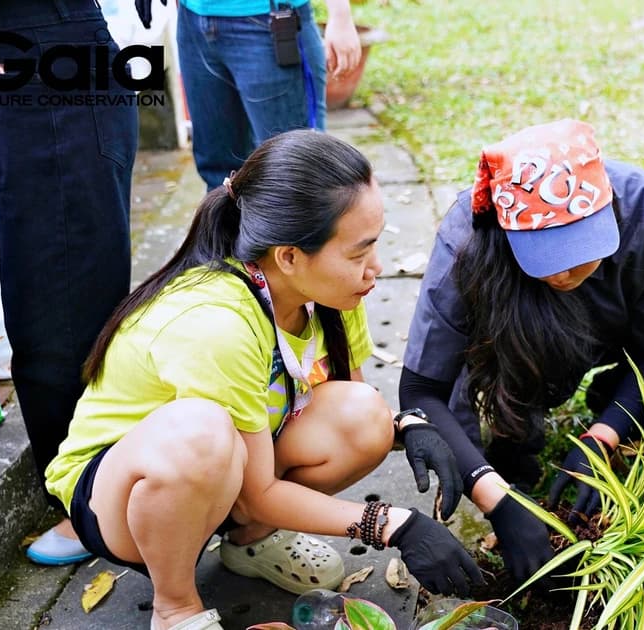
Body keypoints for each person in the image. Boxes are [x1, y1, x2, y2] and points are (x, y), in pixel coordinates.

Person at [44, 130, 480, 630]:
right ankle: (176, 605)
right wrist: (391, 524)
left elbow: (348, 400)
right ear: (289, 256)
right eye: (358, 254)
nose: (374, 269)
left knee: (365, 417)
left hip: (231, 469)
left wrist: (410, 427)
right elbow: (255, 492)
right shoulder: (217, 321)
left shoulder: (328, 294)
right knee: (201, 432)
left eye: (374, 247)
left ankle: (250, 543)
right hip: (123, 498)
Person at [399, 119, 644, 583]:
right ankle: (518, 425)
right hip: (521, 340)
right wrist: (493, 495)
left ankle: (612, 397)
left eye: (581, 247)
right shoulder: (469, 237)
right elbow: (423, 389)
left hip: (621, 328)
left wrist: (603, 435)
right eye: (546, 254)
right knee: (499, 441)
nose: (565, 272)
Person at [0, 0, 138, 565]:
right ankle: (100, 488)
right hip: (32, 46)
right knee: (66, 284)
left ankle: (89, 509)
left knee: (56, 297)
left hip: (38, 47)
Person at [172, 0, 361, 189]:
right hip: (193, 19)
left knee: (296, 175)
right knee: (220, 180)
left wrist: (340, 14)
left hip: (271, 20)